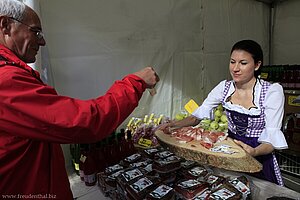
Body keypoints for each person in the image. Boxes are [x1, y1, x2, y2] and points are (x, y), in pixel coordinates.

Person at [0, 0, 159, 199]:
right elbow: (85, 122)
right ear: (5, 25)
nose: (42, 42)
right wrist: (136, 83)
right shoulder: (6, 81)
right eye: (36, 32)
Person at [160, 39, 288, 186]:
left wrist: (254, 152)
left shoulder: (271, 92)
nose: (235, 68)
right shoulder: (224, 88)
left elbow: (271, 139)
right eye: (232, 62)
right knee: (229, 190)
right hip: (230, 151)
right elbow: (198, 116)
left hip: (259, 154)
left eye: (243, 63)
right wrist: (172, 125)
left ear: (257, 65)